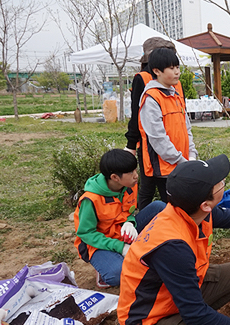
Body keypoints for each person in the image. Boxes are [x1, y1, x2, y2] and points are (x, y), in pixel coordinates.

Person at [117, 155, 230, 325]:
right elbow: (195, 315)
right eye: (219, 184)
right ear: (205, 205)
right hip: (148, 317)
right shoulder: (172, 246)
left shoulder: (194, 211)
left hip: (171, 294)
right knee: (197, 315)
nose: (223, 183)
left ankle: (189, 308)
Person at [73, 149, 166, 288]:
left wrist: (129, 222)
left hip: (122, 233)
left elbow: (128, 211)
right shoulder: (90, 200)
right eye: (131, 173)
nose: (136, 176)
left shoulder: (129, 186)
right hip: (99, 243)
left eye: (136, 170)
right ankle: (105, 268)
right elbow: (86, 233)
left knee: (159, 207)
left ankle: (150, 248)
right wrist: (121, 247)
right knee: (118, 274)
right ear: (115, 177)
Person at [124, 37, 184, 210]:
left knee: (158, 186)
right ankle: (144, 220)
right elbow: (136, 115)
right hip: (151, 145)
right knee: (151, 185)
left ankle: (150, 219)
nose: (175, 70)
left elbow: (182, 113)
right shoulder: (143, 79)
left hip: (175, 143)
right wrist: (131, 144)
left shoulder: (174, 82)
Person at [138, 47, 198, 202]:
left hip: (182, 163)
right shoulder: (151, 98)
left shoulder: (175, 95)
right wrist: (179, 160)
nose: (177, 72)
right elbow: (158, 138)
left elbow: (187, 128)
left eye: (177, 67)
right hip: (166, 168)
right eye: (171, 68)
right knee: (172, 209)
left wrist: (191, 154)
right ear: (157, 71)